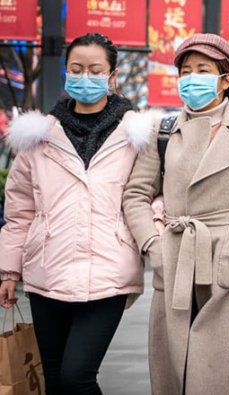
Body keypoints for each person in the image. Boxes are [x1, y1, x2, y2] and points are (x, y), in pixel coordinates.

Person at [122, 33, 229, 395]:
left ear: (225, 79)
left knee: (224, 365)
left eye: (202, 69)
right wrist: (153, 244)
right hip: (177, 254)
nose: (191, 78)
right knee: (174, 362)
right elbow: (136, 193)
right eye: (185, 71)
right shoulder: (163, 131)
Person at [0, 33, 148, 394]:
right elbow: (20, 210)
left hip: (108, 270)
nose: (85, 77)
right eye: (76, 69)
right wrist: (8, 269)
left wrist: (148, 237)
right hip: (47, 270)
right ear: (66, 72)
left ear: (112, 76)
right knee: (52, 375)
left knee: (77, 375)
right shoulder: (38, 138)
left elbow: (154, 195)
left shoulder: (138, 137)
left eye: (95, 70)